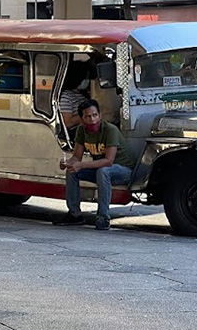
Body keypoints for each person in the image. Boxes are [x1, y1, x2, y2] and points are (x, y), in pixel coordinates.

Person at [57, 98, 137, 230]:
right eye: (87, 117)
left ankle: (103, 217)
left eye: (94, 115)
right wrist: (67, 163)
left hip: (124, 171)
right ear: (82, 119)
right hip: (102, 170)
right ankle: (74, 214)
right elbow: (77, 156)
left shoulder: (110, 130)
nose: (92, 119)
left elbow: (108, 161)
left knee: (103, 171)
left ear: (100, 115)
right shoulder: (82, 131)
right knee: (72, 171)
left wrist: (81, 165)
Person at [59, 62, 90, 129]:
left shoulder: (84, 94)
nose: (87, 81)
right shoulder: (66, 96)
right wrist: (85, 115)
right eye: (85, 78)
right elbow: (67, 123)